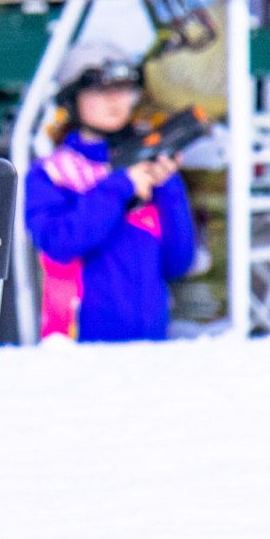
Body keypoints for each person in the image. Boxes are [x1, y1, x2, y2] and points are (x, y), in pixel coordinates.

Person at [26, 41, 197, 342]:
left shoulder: (144, 167)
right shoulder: (52, 172)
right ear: (71, 96)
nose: (115, 100)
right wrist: (120, 187)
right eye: (100, 90)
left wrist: (168, 187)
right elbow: (60, 244)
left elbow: (178, 263)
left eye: (124, 88)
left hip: (150, 349)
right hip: (74, 350)